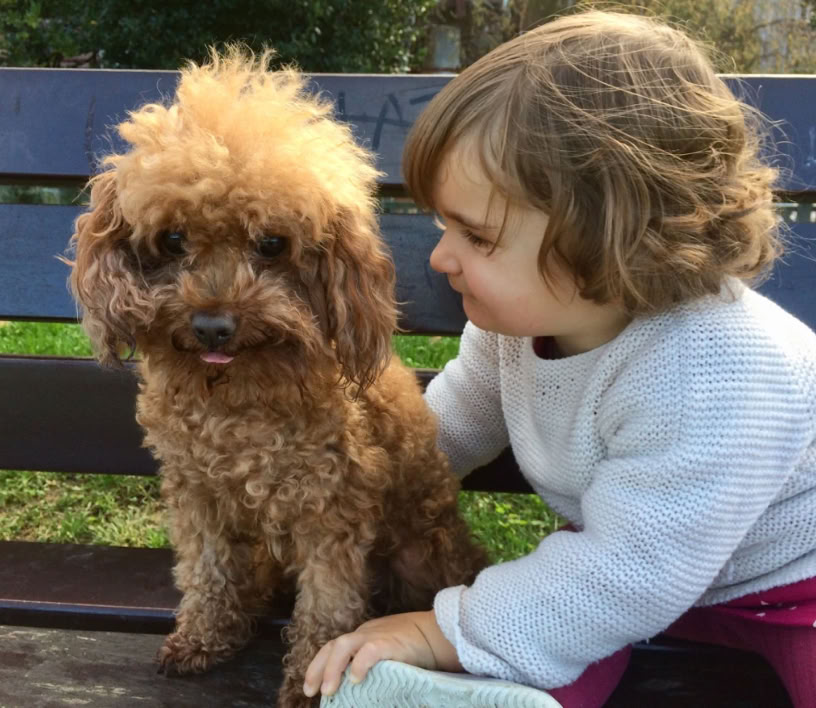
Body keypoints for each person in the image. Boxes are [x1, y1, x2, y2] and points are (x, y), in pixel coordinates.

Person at [303, 9, 816, 708]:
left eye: (477, 237)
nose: (439, 257)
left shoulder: (716, 370)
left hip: (793, 588)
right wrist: (340, 486)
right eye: (441, 224)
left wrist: (436, 629)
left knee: (570, 611)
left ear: (613, 240)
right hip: (637, 563)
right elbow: (438, 437)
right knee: (545, 644)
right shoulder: (514, 328)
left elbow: (624, 576)